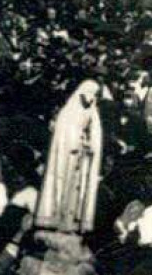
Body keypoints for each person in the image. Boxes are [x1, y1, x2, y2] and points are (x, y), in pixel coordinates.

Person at [34, 80, 103, 234]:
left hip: (83, 159)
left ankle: (74, 222)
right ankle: (56, 218)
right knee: (63, 186)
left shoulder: (92, 112)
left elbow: (95, 135)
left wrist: (89, 143)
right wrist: (77, 142)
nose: (91, 98)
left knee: (78, 191)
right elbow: (64, 136)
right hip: (68, 157)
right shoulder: (68, 112)